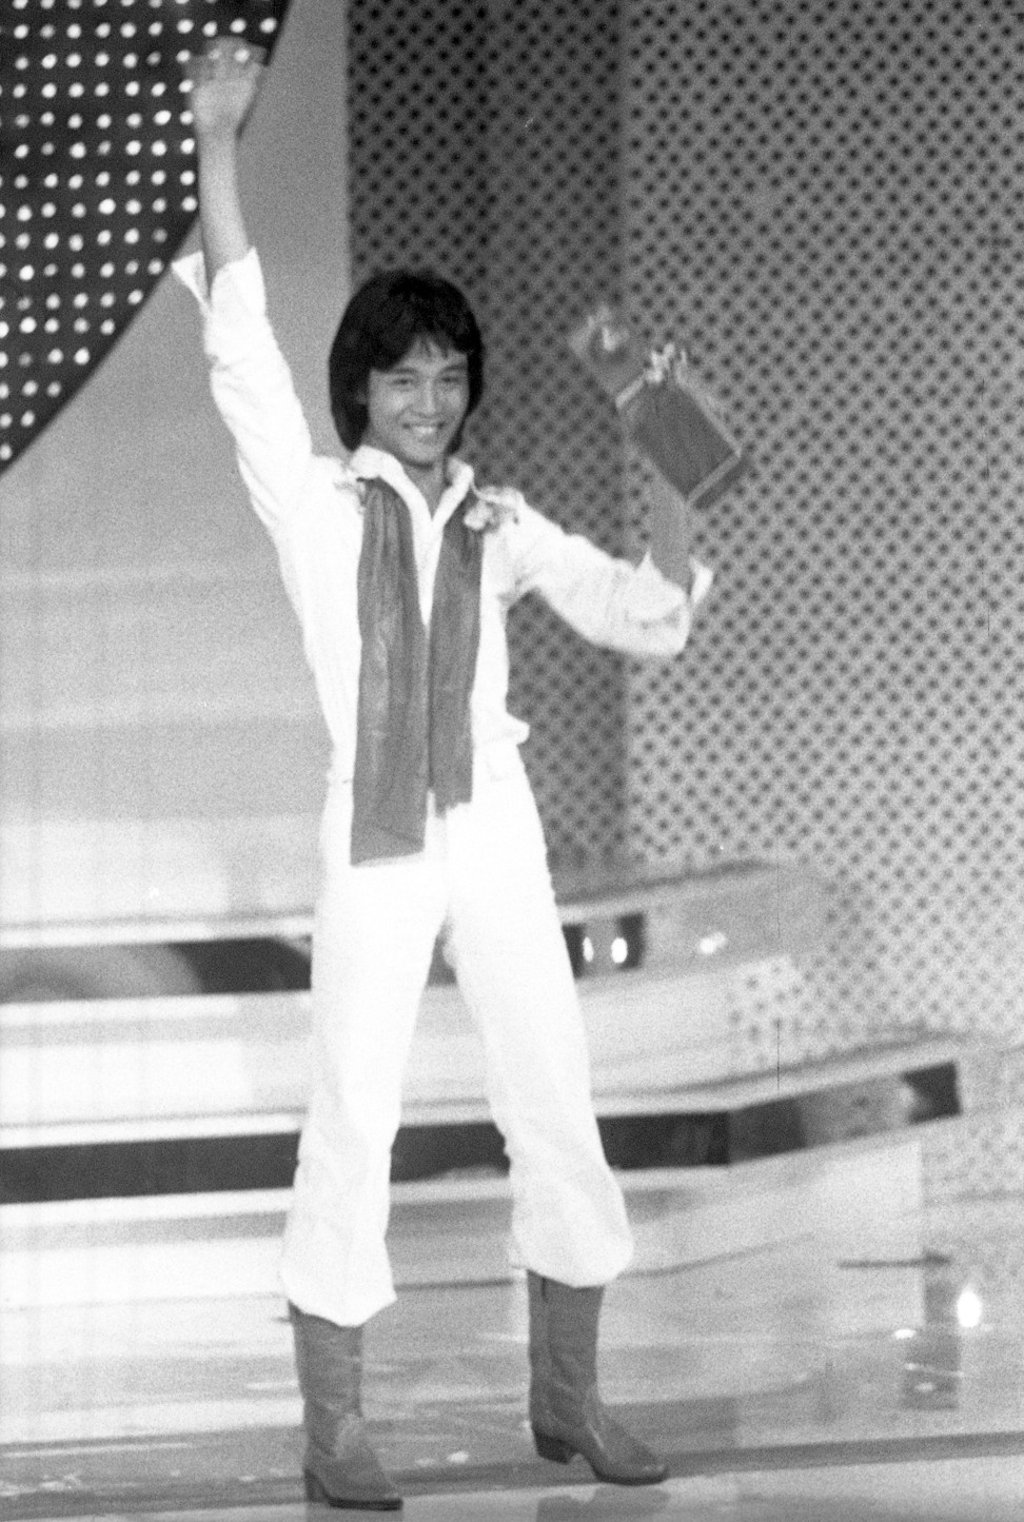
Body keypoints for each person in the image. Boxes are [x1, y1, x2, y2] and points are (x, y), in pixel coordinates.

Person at [179, 38, 711, 1513]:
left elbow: (646, 611)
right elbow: (240, 349)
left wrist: (659, 428)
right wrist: (222, 147)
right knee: (353, 1103)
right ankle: (334, 1423)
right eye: (402, 376)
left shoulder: (497, 519)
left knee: (557, 1087)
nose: (429, 396)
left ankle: (571, 1395)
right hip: (373, 835)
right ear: (362, 387)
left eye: (447, 374)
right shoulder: (316, 502)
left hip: (496, 829)